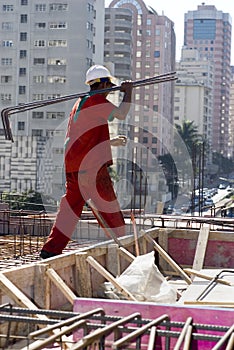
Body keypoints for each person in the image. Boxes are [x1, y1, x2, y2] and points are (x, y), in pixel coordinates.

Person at [40, 65, 133, 259]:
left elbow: (86, 137)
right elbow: (122, 114)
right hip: (91, 167)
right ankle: (125, 246)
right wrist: (128, 92)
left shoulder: (80, 103)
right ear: (104, 84)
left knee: (70, 209)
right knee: (108, 205)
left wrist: (111, 142)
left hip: (74, 165)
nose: (109, 92)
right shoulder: (97, 100)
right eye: (109, 86)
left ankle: (50, 249)